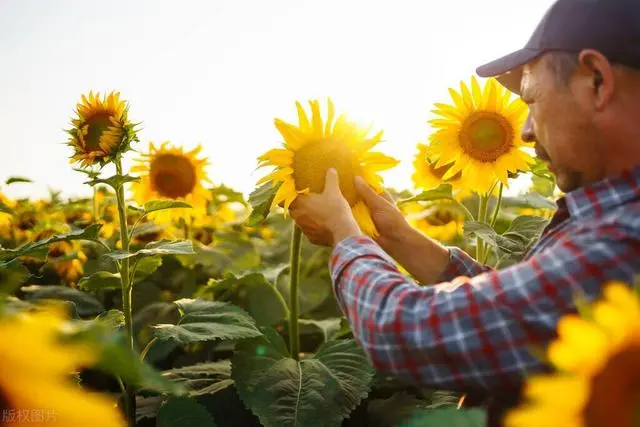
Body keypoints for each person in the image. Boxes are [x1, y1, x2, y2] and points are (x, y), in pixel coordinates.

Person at [288, 0, 640, 424]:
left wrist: (346, 236)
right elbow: (516, 315)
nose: (526, 130)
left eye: (532, 99)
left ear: (597, 81)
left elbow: (409, 333)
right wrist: (396, 235)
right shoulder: (610, 224)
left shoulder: (624, 237)